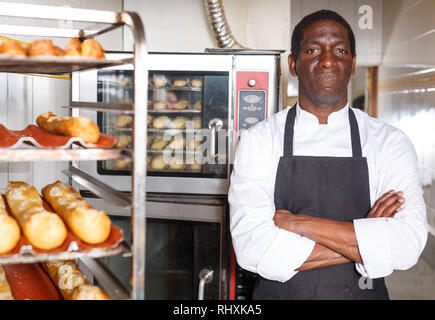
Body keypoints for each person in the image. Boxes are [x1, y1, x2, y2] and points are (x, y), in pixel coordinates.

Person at [228, 10, 428, 300]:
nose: (328, 60)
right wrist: (369, 240)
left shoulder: (389, 142)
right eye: (313, 50)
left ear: (353, 63)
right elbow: (251, 248)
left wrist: (299, 223)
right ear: (293, 64)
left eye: (340, 50)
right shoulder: (259, 140)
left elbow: (407, 244)